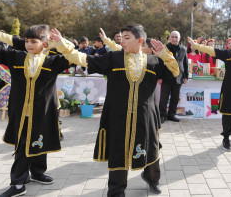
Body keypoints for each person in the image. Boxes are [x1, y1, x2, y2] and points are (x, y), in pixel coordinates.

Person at [50, 24, 179, 197]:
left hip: (146, 116)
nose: (122, 41)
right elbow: (83, 58)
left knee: (150, 148)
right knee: (118, 151)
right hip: (118, 115)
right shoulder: (114, 58)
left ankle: (152, 179)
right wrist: (62, 44)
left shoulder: (153, 61)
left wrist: (164, 54)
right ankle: (116, 189)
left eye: (127, 38)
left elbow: (175, 71)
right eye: (122, 37)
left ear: (140, 40)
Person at [0, 20, 71, 197]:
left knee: (40, 140)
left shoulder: (53, 61)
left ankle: (37, 172)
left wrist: (61, 42)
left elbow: (74, 56)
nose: (28, 45)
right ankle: (18, 183)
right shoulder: (17, 57)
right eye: (27, 41)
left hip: (43, 111)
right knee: (23, 146)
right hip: (21, 112)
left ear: (45, 44)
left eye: (33, 41)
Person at [159, 30, 188, 123]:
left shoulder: (183, 49)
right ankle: (162, 115)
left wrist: (186, 76)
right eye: (173, 37)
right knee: (164, 98)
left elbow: (185, 63)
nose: (174, 39)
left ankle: (171, 115)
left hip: (178, 78)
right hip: (166, 77)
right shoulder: (164, 49)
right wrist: (159, 77)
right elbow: (159, 63)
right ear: (169, 38)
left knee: (175, 98)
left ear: (179, 38)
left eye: (176, 37)